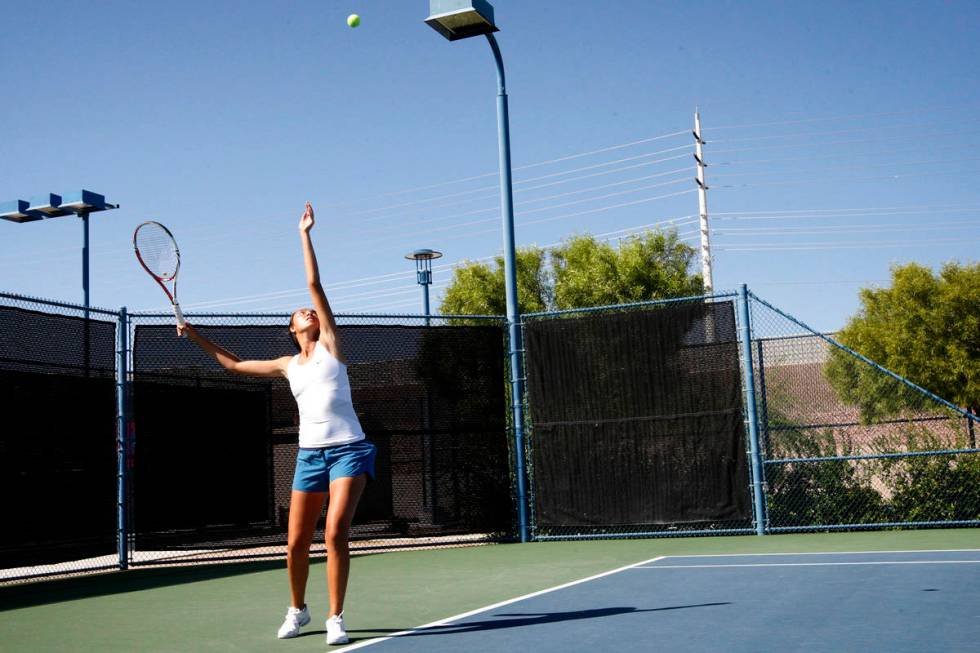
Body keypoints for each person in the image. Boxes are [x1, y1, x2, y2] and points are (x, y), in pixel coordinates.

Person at [178, 202, 374, 646]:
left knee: (335, 531)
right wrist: (193, 334)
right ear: (291, 328)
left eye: (312, 311)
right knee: (294, 544)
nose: (309, 311)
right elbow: (232, 364)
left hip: (349, 449)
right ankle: (297, 610)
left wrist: (304, 233)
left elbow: (314, 283)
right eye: (301, 312)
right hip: (309, 456)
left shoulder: (331, 345)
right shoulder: (288, 365)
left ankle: (335, 618)